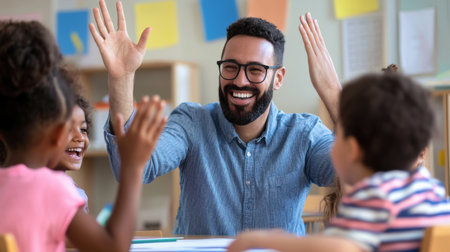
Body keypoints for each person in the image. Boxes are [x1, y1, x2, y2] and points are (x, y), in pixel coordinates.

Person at [89, 0, 340, 235]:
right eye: (231, 67)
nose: (240, 80)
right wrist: (121, 79)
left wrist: (332, 94)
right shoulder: (191, 123)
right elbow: (131, 168)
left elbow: (356, 177)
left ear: (279, 77)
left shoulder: (305, 134)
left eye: (255, 70)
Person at [228, 72, 450, 252]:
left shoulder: (374, 196)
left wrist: (268, 240)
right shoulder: (431, 192)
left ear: (352, 149)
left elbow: (336, 248)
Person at [0, 20, 167, 252]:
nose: (79, 136)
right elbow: (113, 247)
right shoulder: (52, 188)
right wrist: (132, 167)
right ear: (59, 133)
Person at [54, 76, 92, 213]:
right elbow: (108, 236)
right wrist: (132, 169)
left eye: (83, 129)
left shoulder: (74, 191)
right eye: (69, 128)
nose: (80, 137)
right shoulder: (56, 192)